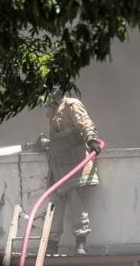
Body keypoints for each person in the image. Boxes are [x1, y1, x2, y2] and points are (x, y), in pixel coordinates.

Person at [43, 85, 103, 255]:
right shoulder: (52, 110)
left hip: (73, 165)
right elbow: (59, 137)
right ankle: (52, 244)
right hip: (57, 167)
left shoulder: (71, 104)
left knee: (77, 204)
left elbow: (84, 122)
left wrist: (92, 140)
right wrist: (45, 142)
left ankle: (80, 243)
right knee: (54, 206)